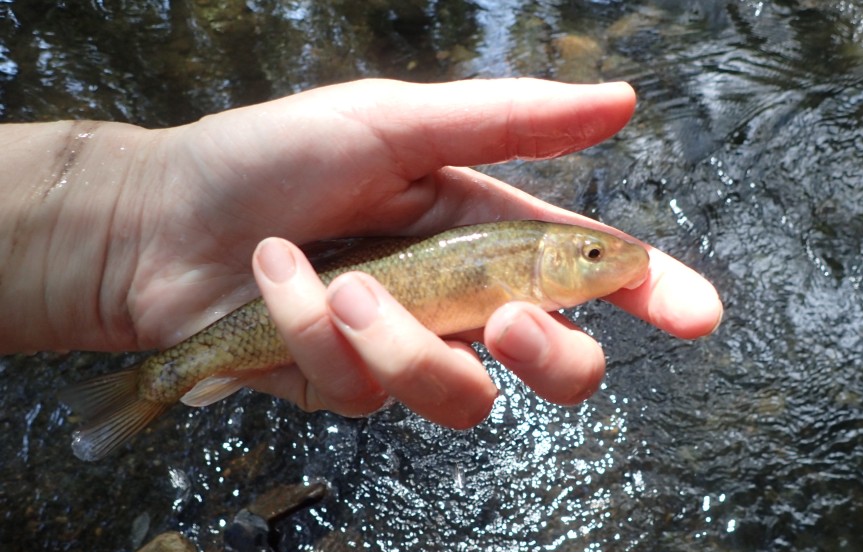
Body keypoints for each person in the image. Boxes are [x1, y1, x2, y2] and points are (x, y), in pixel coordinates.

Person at [0, 78, 722, 428]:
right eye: (592, 253)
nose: (606, 260)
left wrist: (119, 224)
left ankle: (164, 376)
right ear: (552, 258)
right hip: (258, 309)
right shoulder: (519, 258)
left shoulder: (526, 263)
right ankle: (162, 378)